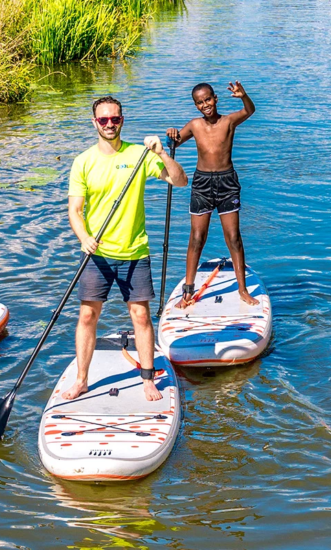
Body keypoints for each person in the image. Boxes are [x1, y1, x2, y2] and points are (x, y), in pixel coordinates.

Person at [63, 96, 187, 401]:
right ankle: (81, 380)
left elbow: (180, 181)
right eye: (103, 120)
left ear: (122, 120)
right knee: (88, 316)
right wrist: (84, 238)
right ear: (94, 123)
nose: (109, 124)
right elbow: (75, 210)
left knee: (140, 317)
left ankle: (147, 379)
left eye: (114, 119)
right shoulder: (84, 161)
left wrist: (161, 154)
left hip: (134, 252)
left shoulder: (139, 155)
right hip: (98, 254)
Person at [166, 81, 258, 308]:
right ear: (196, 105)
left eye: (208, 99)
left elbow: (249, 111)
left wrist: (244, 95)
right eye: (200, 102)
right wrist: (170, 135)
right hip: (202, 184)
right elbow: (174, 142)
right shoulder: (195, 125)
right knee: (197, 238)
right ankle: (188, 292)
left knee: (234, 237)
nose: (205, 105)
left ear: (215, 98)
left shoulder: (229, 121)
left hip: (227, 183)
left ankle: (242, 290)